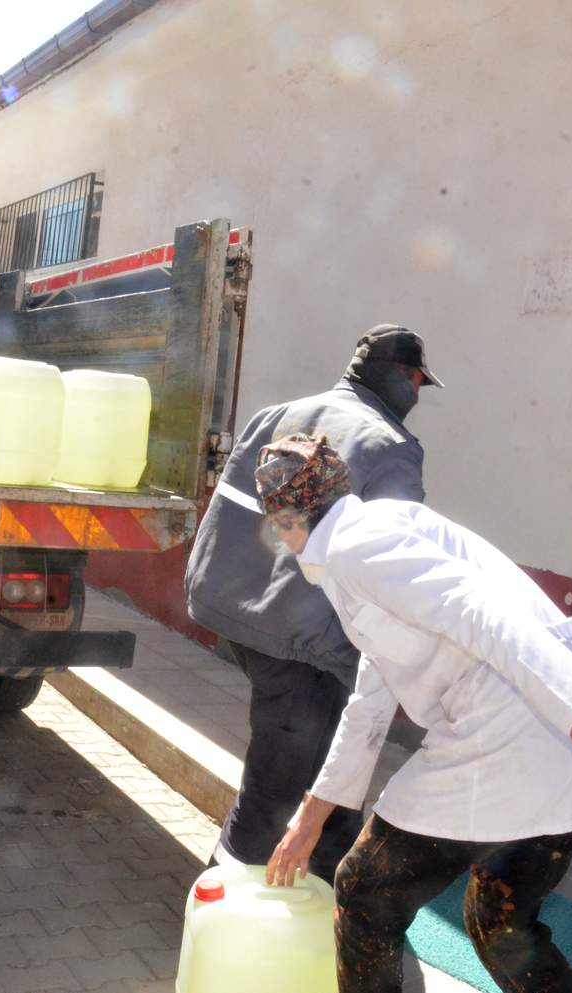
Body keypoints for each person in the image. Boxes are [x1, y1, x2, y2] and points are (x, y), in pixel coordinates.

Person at [257, 434, 572, 993]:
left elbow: (478, 611)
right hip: (543, 719)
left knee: (362, 889)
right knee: (501, 923)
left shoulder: (355, 548)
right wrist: (313, 815)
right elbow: (373, 693)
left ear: (285, 517)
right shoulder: (376, 529)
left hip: (515, 723)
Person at [183, 325, 441, 881]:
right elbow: (388, 566)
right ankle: (213, 902)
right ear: (403, 377)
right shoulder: (390, 448)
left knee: (329, 775)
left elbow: (226, 518)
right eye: (418, 382)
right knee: (272, 797)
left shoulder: (276, 415)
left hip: (235, 615)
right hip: (302, 646)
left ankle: (333, 890)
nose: (417, 396)